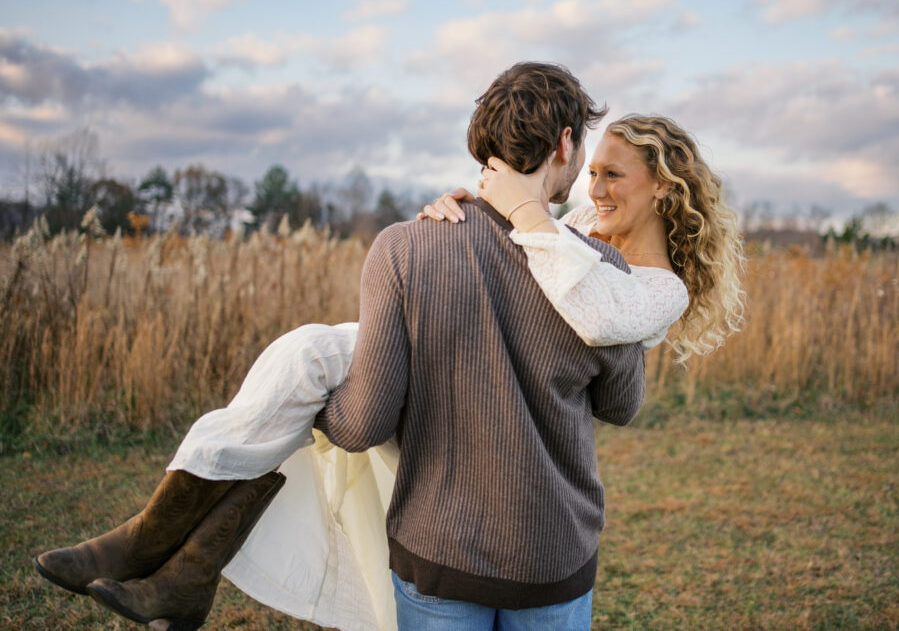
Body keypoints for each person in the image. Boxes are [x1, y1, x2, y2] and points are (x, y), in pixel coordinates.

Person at [32, 69, 743, 629]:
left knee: (306, 368)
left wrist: (325, 414)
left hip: (441, 551)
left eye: (611, 174)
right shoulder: (597, 262)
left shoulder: (411, 245)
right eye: (590, 163)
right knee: (307, 359)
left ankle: (169, 554)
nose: (592, 183)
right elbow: (620, 402)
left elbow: (364, 424)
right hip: (551, 553)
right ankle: (172, 560)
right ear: (563, 145)